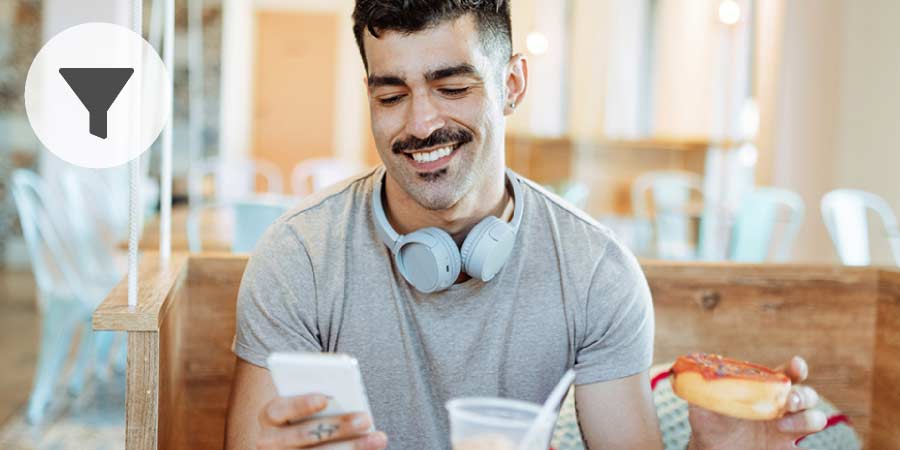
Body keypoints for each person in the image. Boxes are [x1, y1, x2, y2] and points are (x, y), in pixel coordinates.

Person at [224, 1, 826, 449]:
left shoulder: (596, 271)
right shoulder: (298, 256)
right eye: (390, 96)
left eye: (452, 86)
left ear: (511, 84)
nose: (420, 122)